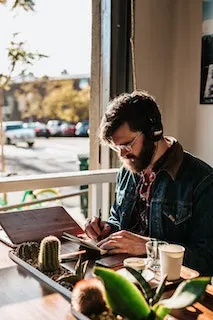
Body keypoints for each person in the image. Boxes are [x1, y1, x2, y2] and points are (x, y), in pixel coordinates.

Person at [85, 90, 213, 275]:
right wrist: (106, 229)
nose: (121, 155)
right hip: (125, 274)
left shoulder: (203, 181)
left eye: (127, 145)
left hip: (170, 287)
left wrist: (148, 246)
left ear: (154, 133)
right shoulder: (128, 170)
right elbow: (118, 219)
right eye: (115, 147)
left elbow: (207, 258)